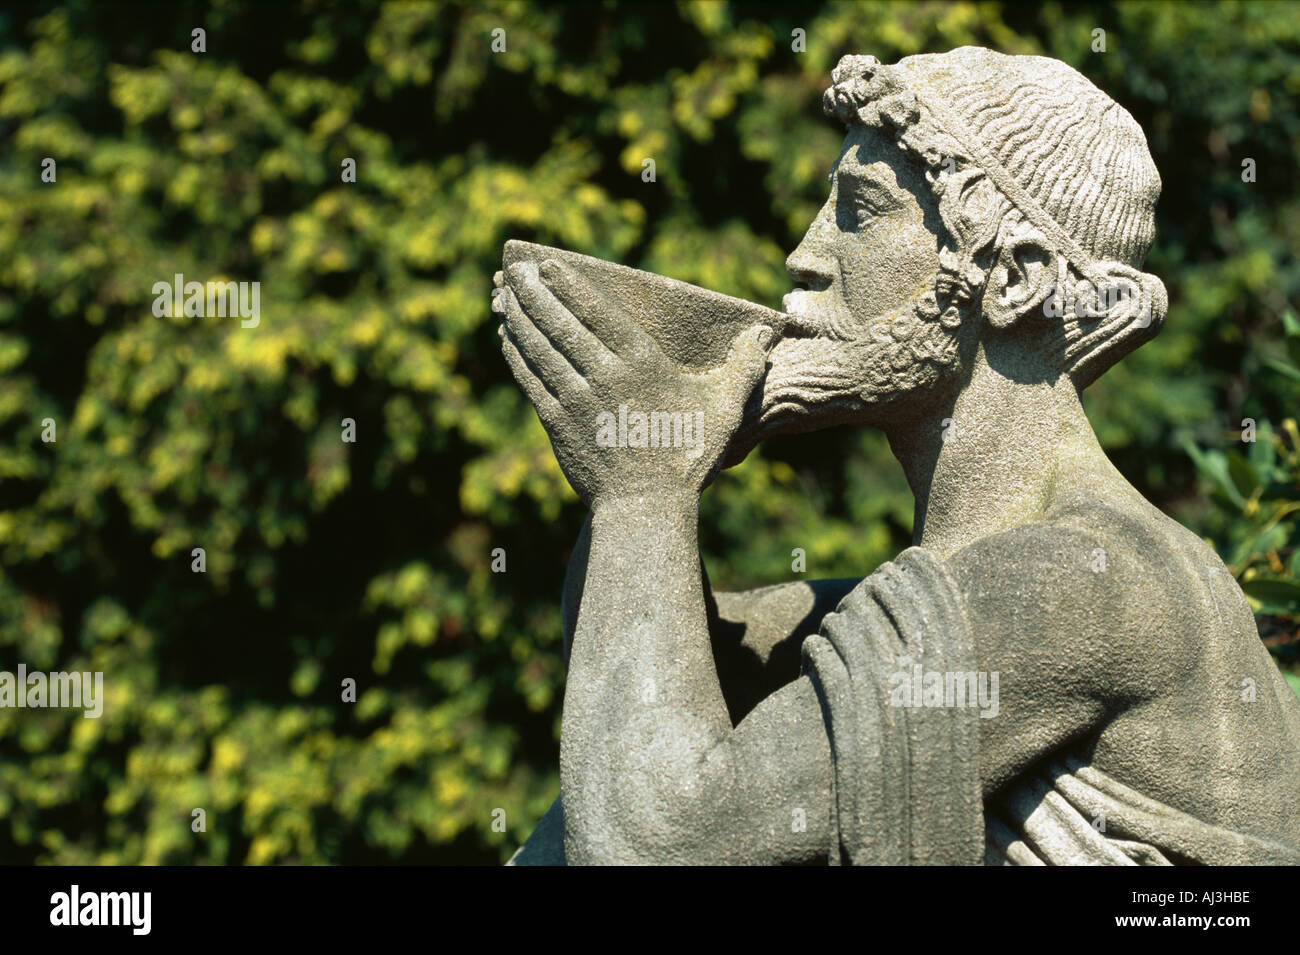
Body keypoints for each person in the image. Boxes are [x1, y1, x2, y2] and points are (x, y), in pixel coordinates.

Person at [498, 48, 1300, 865]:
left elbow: (656, 840)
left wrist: (643, 489)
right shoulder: (945, 597)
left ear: (1014, 277)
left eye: (859, 208)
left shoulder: (1092, 579)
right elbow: (648, 690)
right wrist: (660, 446)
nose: (805, 256)